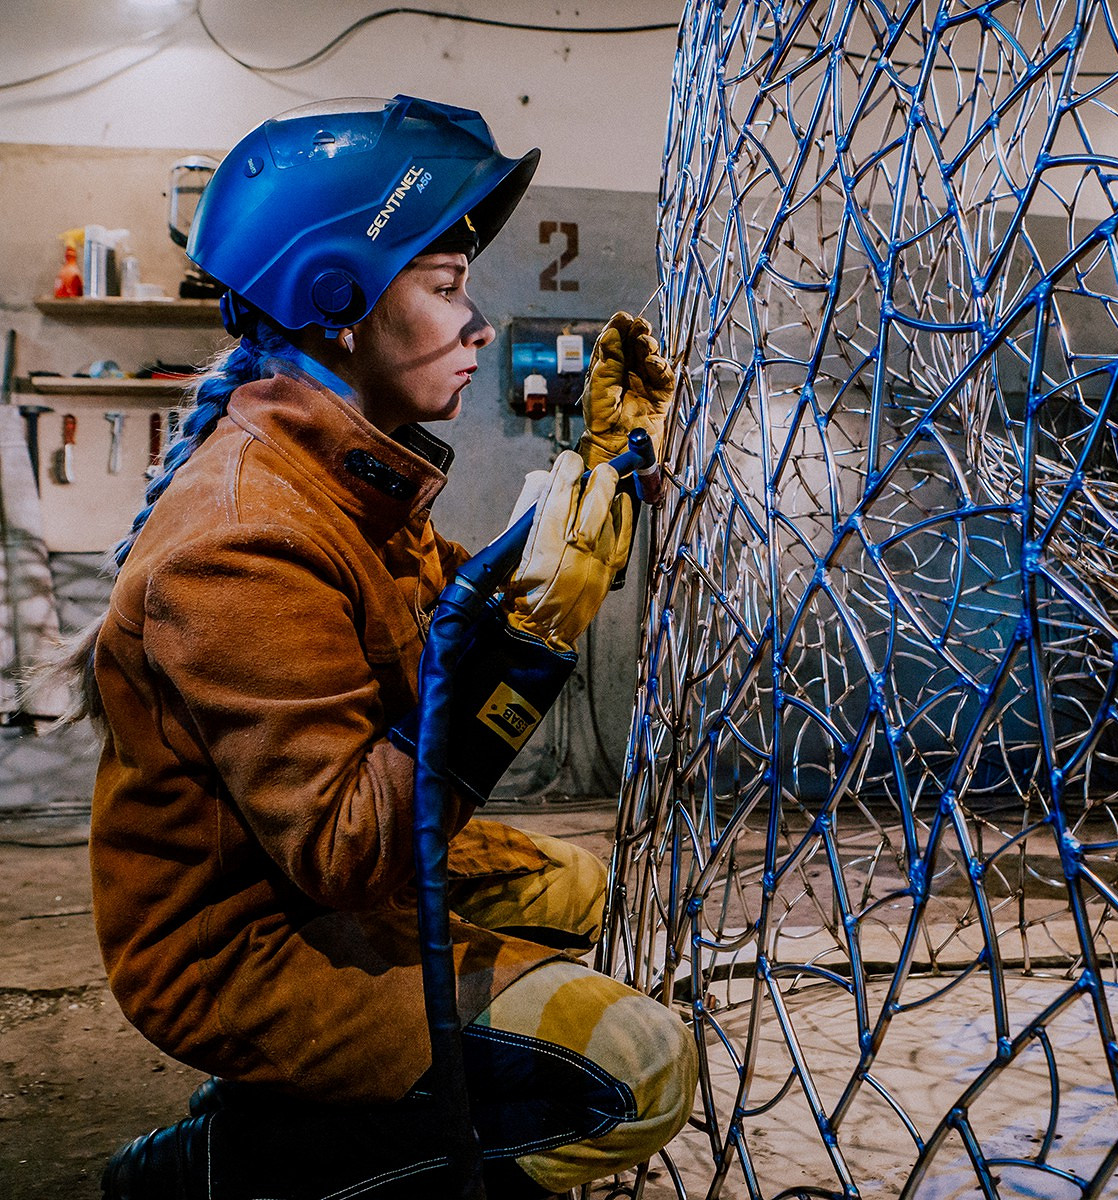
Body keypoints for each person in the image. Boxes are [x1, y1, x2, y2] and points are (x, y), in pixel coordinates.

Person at [62, 93, 696, 1198]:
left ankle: (331, 1107)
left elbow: (462, 601)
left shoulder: (347, 476)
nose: (479, 323)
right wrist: (533, 639)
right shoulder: (242, 539)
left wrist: (608, 473)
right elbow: (352, 848)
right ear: (338, 303)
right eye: (445, 290)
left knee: (583, 894)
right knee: (634, 1071)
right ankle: (224, 1170)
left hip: (316, 887)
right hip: (237, 942)